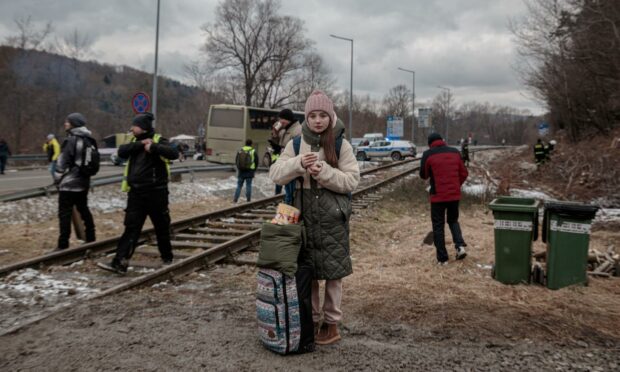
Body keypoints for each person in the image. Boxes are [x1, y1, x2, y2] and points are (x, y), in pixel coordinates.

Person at [269, 90, 360, 345]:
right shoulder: (295, 144)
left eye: (323, 115)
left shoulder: (341, 144)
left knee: (333, 274)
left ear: (330, 117)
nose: (318, 120)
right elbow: (275, 174)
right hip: (303, 218)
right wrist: (297, 163)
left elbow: (352, 180)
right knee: (307, 272)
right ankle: (310, 320)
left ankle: (331, 324)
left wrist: (324, 171)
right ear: (306, 118)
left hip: (333, 217)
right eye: (312, 115)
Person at [98, 112, 179, 274]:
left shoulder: (159, 141)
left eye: (134, 125)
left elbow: (174, 153)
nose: (131, 128)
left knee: (161, 227)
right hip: (136, 193)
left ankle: (167, 259)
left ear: (142, 127)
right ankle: (120, 262)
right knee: (131, 228)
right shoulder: (135, 142)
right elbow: (121, 152)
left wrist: (153, 147)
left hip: (156, 193)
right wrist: (141, 144)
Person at [420, 133, 468, 265]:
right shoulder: (455, 152)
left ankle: (442, 259)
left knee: (438, 226)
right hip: (454, 195)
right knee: (453, 220)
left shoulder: (428, 154)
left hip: (437, 197)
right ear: (442, 141)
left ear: (430, 143)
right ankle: (460, 246)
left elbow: (423, 175)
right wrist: (456, 186)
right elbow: (464, 173)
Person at [53, 113, 96, 250]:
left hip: (69, 184)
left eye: (68, 121)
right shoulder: (89, 139)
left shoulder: (71, 140)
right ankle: (91, 238)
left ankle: (63, 245)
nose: (65, 123)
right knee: (84, 209)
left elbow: (61, 163)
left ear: (74, 124)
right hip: (84, 182)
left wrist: (58, 179)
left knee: (64, 213)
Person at [270, 108, 302, 203]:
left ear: (288, 119)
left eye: (282, 119)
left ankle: (290, 212)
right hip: (284, 164)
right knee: (287, 191)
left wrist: (281, 149)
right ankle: (285, 207)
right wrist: (275, 134)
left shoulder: (297, 130)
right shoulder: (284, 130)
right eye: (279, 119)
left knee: (290, 193)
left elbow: (296, 148)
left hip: (291, 165)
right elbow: (279, 144)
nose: (280, 122)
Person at [233, 139, 259, 203]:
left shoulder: (240, 150)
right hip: (250, 171)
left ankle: (235, 199)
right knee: (248, 185)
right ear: (251, 144)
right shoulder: (253, 151)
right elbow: (256, 161)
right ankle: (248, 200)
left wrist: (239, 168)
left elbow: (236, 160)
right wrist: (254, 169)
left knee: (239, 185)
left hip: (241, 171)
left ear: (245, 143)